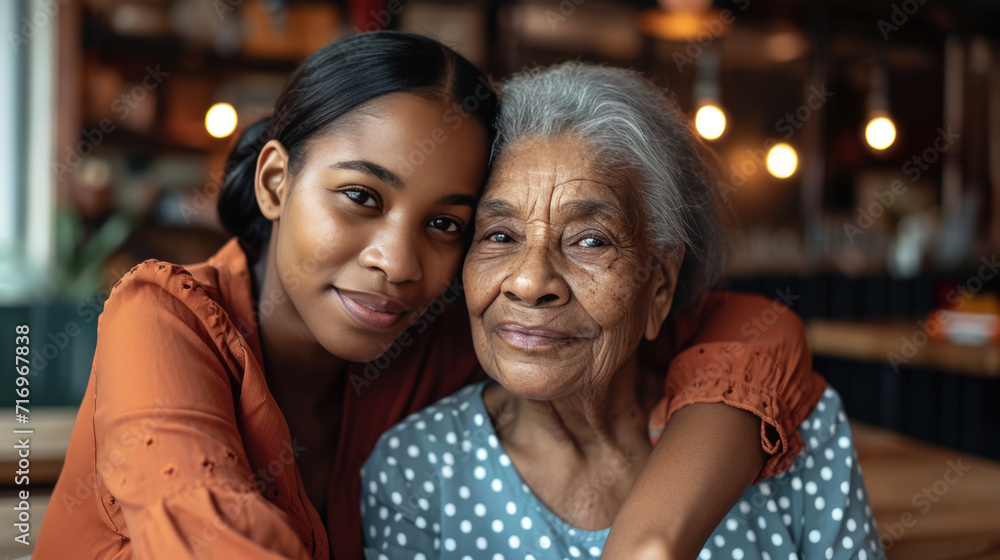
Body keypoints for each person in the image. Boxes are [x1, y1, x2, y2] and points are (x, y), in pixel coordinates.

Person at [35, 34, 822, 560]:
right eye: (360, 198)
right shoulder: (160, 320)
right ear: (278, 182)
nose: (398, 261)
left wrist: (647, 542)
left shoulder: (431, 340)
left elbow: (753, 330)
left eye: (447, 222)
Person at [361, 63, 881, 560]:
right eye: (499, 235)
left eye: (590, 240)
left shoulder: (788, 431)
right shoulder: (416, 472)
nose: (530, 282)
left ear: (659, 283)